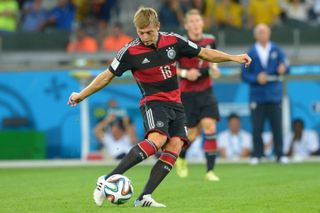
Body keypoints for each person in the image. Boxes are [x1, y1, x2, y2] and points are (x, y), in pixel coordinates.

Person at [68, 7, 251, 208]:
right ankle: (107, 179)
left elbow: (204, 53)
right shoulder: (129, 51)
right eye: (140, 33)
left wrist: (234, 57)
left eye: (149, 32)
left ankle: (144, 196)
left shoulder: (173, 41)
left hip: (176, 103)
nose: (145, 37)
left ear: (158, 26)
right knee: (158, 139)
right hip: (153, 101)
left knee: (175, 145)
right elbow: (107, 75)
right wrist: (81, 95)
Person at [175, 9, 221, 181]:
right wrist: (186, 74)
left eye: (197, 20)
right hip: (187, 94)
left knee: (210, 126)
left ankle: (210, 171)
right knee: (192, 134)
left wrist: (215, 69)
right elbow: (171, 68)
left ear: (202, 23)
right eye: (191, 21)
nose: (195, 24)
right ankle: (181, 157)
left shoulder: (210, 40)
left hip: (206, 91)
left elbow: (214, 60)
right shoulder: (180, 44)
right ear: (186, 25)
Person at [241, 23, 289, 165]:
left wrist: (283, 68)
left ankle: (279, 154)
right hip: (257, 95)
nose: (262, 34)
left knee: (277, 127)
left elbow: (286, 65)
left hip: (274, 95)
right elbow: (244, 75)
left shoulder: (276, 50)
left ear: (269, 33)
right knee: (257, 127)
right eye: (260, 32)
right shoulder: (250, 52)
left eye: (265, 32)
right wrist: (256, 78)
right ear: (256, 35)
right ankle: (257, 154)